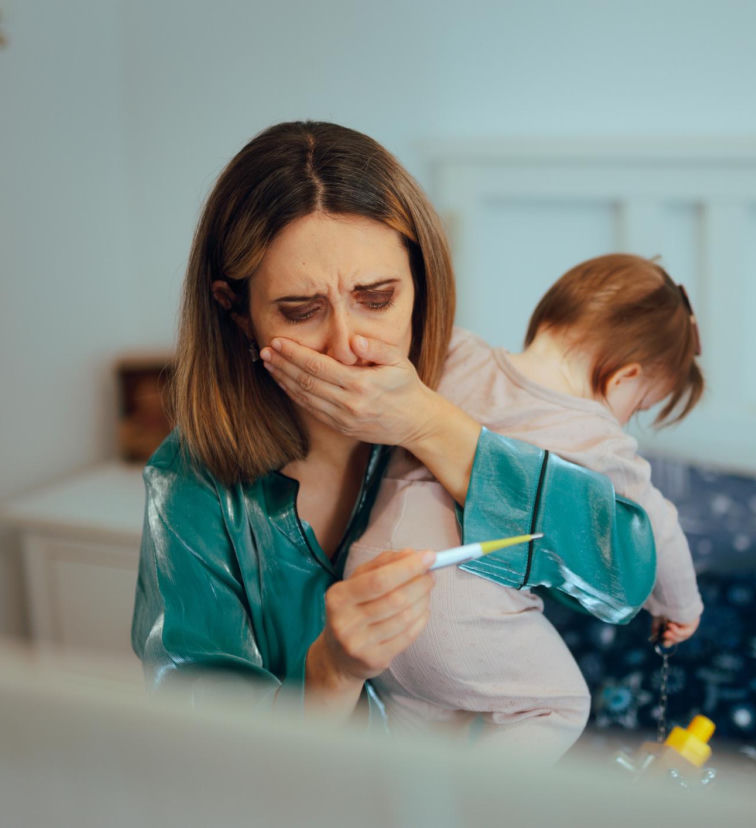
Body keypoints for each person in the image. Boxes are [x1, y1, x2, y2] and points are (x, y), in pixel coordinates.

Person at [131, 121, 659, 721]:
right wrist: (330, 675)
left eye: (377, 299)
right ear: (237, 312)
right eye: (301, 311)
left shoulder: (481, 387)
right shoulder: (192, 482)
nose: (347, 346)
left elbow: (624, 580)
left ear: (420, 286)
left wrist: (428, 425)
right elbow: (205, 746)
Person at [334, 254, 705, 760]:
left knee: (423, 733)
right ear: (624, 377)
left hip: (368, 582)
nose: (625, 420)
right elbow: (658, 529)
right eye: (637, 406)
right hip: (457, 606)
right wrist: (681, 607)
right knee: (558, 705)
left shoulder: (458, 352)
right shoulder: (598, 439)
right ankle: (483, 800)